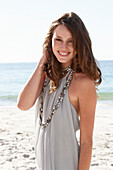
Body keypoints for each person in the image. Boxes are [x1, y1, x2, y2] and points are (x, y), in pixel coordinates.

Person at [17, 12, 102, 170]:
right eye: (58, 40)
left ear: (79, 45)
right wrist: (43, 61)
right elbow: (23, 104)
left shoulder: (83, 83)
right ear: (49, 41)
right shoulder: (46, 76)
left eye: (71, 41)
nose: (64, 47)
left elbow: (86, 142)